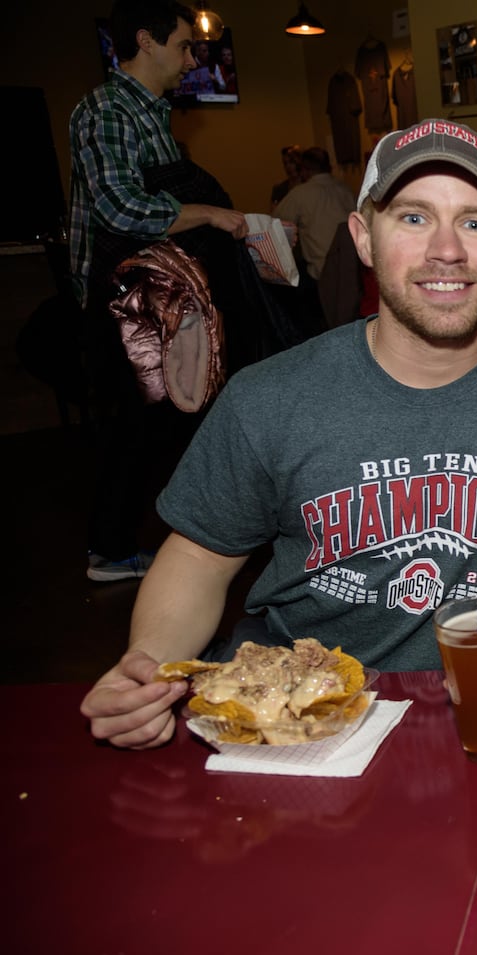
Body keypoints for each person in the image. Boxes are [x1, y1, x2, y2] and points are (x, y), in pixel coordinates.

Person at [80, 118, 477, 751]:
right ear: (364, 239)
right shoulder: (270, 397)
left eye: (475, 222)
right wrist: (148, 666)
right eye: (413, 218)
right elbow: (199, 557)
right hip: (294, 719)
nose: (446, 249)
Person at [69, 0, 248, 582]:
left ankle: (142, 542)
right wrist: (208, 214)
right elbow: (120, 209)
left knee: (166, 412)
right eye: (182, 46)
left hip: (155, 290)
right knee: (139, 417)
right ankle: (111, 548)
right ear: (145, 41)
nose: (191, 58)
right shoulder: (107, 110)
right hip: (126, 295)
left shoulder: (152, 111)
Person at [273, 146, 355, 285]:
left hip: (321, 273)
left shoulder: (299, 194)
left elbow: (275, 225)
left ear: (304, 170)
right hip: (352, 267)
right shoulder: (346, 190)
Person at [270, 144, 301, 209]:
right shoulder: (279, 188)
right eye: (285, 163)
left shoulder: (310, 186)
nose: (288, 166)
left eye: (292, 162)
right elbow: (274, 212)